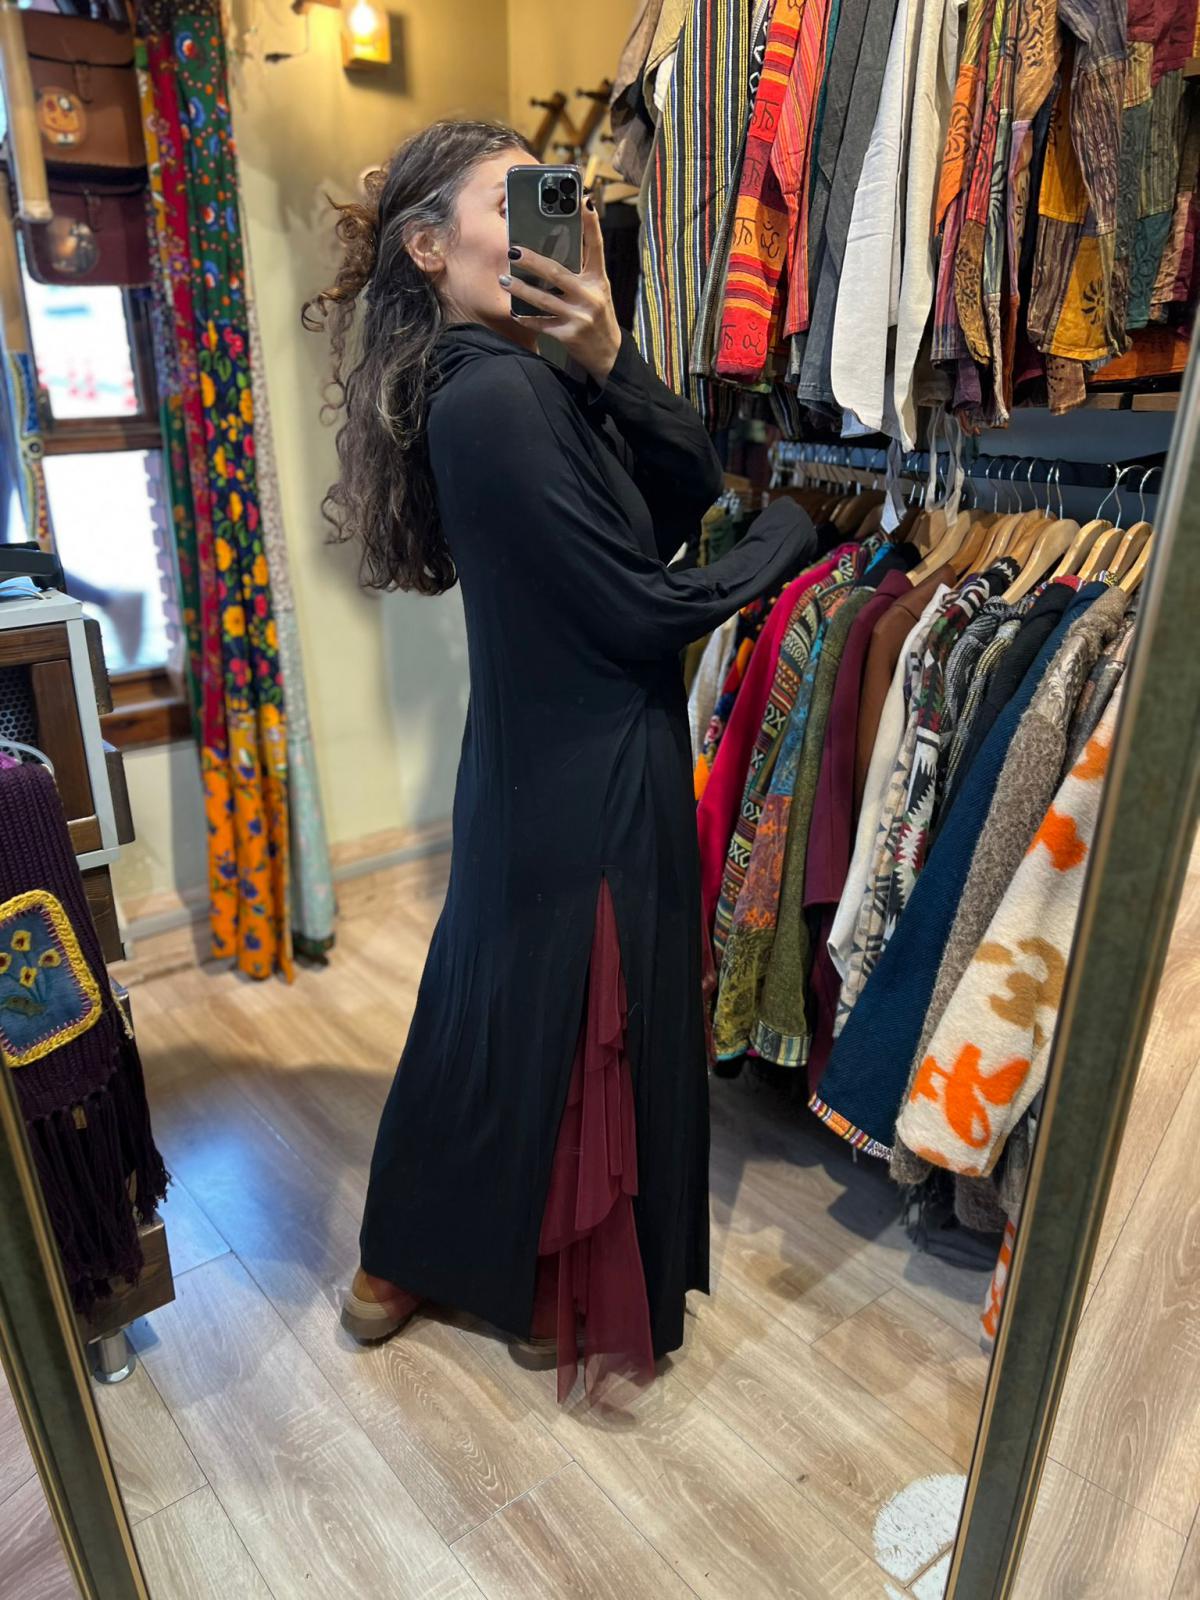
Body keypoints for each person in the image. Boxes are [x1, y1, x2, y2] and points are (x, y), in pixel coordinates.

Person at [304, 119, 809, 1399]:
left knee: (495, 1009)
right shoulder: (494, 394)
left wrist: (612, 355)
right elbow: (643, 606)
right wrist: (788, 540)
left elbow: (681, 495)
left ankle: (431, 1257)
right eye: (512, 200)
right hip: (586, 762)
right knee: (565, 1013)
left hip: (538, 751)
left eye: (556, 194)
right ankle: (527, 1272)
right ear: (429, 247)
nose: (554, 221)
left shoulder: (529, 380)